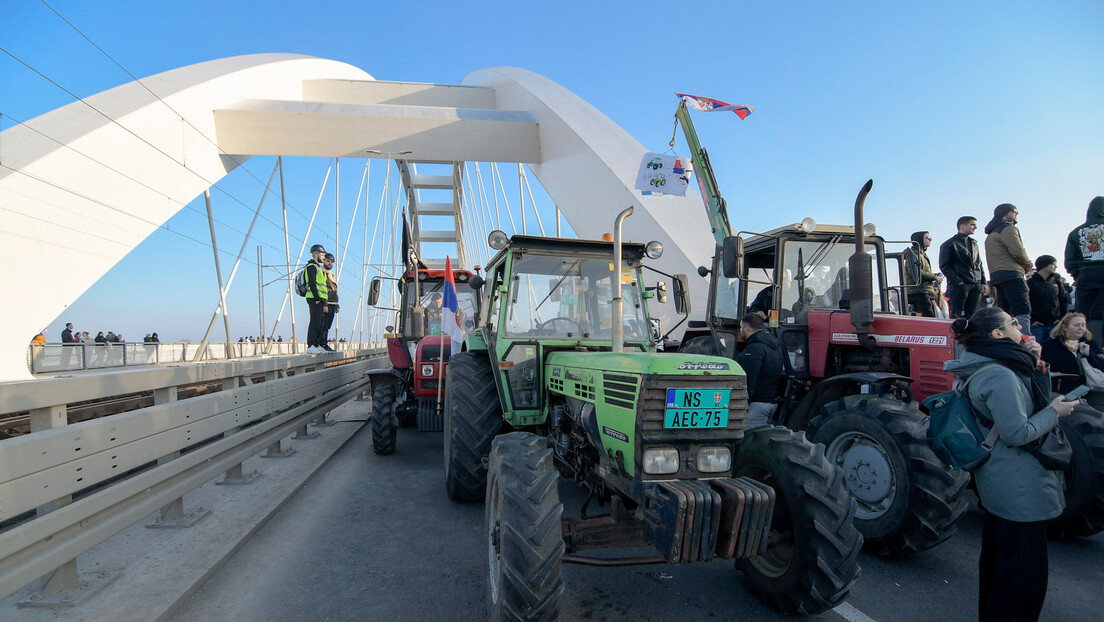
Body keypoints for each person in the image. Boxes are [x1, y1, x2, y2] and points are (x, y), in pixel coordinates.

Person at [944, 306, 1077, 622]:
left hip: (1004, 485)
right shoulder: (998, 374)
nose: (1020, 326)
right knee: (1022, 583)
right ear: (997, 334)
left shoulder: (995, 364)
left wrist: (1038, 364)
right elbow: (1019, 432)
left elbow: (1031, 403)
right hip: (1019, 488)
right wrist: (1055, 413)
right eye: (1013, 323)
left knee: (1001, 571)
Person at [984, 204, 1034, 331]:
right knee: (1022, 309)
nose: (1017, 214)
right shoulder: (1008, 229)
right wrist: (1027, 264)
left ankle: (1007, 338)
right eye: (1014, 212)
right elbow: (1017, 251)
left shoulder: (991, 234)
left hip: (997, 276)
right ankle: (1024, 341)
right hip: (1012, 273)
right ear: (1006, 213)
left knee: (1005, 312)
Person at [1064, 196, 1104, 346]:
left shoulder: (1076, 232)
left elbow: (1069, 260)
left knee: (1081, 314)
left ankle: (1078, 344)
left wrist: (1078, 274)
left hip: (1085, 274)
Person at [1041, 313, 1104, 406]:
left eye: (1083, 325)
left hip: (1087, 392)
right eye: (1076, 325)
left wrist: (1089, 354)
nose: (1081, 328)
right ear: (1065, 327)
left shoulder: (1091, 344)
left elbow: (1102, 366)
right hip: (1060, 394)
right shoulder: (1049, 345)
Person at [736, 313, 783, 429]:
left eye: (741, 327)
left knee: (748, 440)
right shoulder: (775, 346)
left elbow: (749, 383)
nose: (740, 330)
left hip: (758, 405)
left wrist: (741, 406)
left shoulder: (754, 350)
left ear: (747, 328)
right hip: (771, 402)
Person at [940, 216, 989, 318]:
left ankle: (972, 334)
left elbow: (979, 263)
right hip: (960, 285)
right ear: (962, 226)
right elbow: (944, 265)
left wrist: (983, 282)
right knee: (956, 315)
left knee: (973, 315)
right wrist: (958, 281)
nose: (975, 227)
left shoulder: (974, 243)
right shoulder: (949, 244)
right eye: (972, 225)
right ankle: (957, 334)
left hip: (975, 284)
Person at [1027, 255, 1069, 343]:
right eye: (1053, 264)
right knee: (1037, 352)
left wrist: (1061, 318)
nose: (1056, 267)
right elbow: (1025, 303)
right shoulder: (1029, 284)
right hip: (1037, 326)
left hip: (1055, 325)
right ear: (1044, 265)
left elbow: (1064, 301)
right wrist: (1032, 320)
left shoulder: (1057, 282)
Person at [902, 231, 942, 317]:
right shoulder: (914, 254)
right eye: (927, 238)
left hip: (921, 291)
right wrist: (935, 277)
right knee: (928, 317)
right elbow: (917, 273)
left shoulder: (920, 254)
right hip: (919, 292)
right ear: (919, 240)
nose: (930, 239)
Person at [304, 244, 329, 354]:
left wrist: (324, 301)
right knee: (315, 321)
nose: (323, 257)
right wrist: (317, 298)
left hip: (320, 299)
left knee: (321, 323)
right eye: (322, 254)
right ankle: (310, 345)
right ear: (315, 254)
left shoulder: (318, 268)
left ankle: (316, 344)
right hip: (314, 298)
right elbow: (312, 284)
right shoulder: (311, 267)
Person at [322, 253, 339, 351]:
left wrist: (337, 304)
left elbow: (334, 290)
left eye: (331, 262)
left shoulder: (331, 274)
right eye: (328, 261)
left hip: (332, 303)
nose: (330, 263)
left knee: (327, 325)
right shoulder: (322, 272)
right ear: (324, 260)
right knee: (323, 325)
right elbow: (323, 289)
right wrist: (324, 303)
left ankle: (324, 343)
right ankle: (322, 344)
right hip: (326, 303)